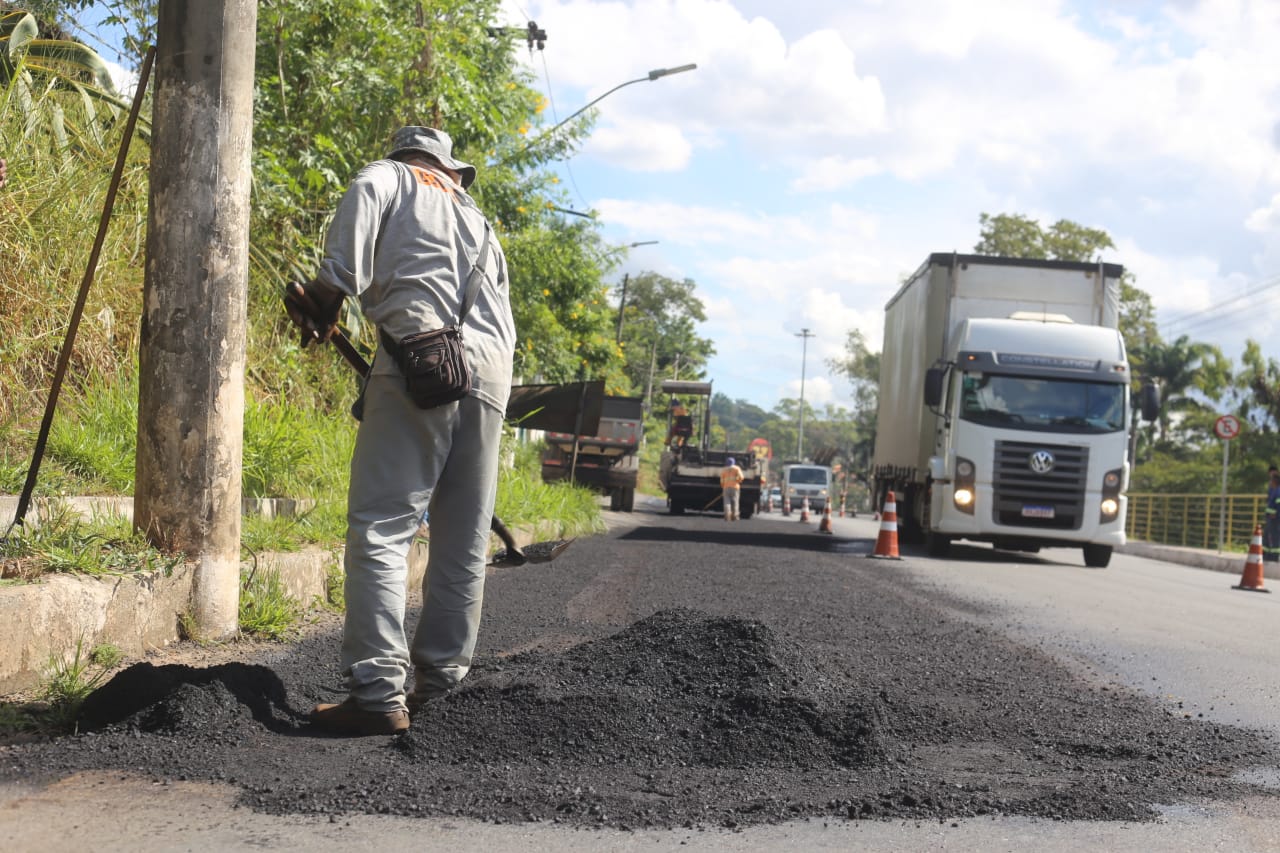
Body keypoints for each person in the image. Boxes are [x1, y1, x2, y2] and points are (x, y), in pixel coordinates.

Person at [286, 127, 515, 736]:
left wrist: (324, 303)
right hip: (490, 381)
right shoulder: (479, 220)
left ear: (404, 156)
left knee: (384, 528)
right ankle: (442, 684)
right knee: (463, 538)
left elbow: (344, 258)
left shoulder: (385, 178)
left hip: (419, 364)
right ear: (448, 169)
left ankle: (378, 691)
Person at [720, 456, 744, 521]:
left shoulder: (724, 470)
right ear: (734, 462)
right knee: (735, 502)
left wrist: (723, 486)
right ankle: (735, 516)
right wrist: (737, 481)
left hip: (726, 488)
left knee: (727, 502)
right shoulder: (737, 468)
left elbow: (721, 480)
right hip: (735, 487)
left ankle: (727, 516)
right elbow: (741, 477)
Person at [1265, 464, 1280, 563]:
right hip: (1271, 517)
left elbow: (1278, 504)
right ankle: (1268, 554)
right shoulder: (1273, 489)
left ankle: (1274, 555)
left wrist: (1277, 515)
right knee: (1268, 535)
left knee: (1275, 536)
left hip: (1275, 518)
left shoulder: (1278, 490)